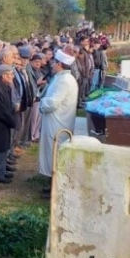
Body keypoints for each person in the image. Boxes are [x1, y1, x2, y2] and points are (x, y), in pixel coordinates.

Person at [39, 49, 79, 199]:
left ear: (61, 64)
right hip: (55, 120)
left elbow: (53, 102)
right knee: (51, 151)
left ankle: (55, 187)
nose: (53, 64)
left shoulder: (65, 81)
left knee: (54, 151)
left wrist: (41, 103)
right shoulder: (60, 78)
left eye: (55, 62)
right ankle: (52, 183)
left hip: (58, 121)